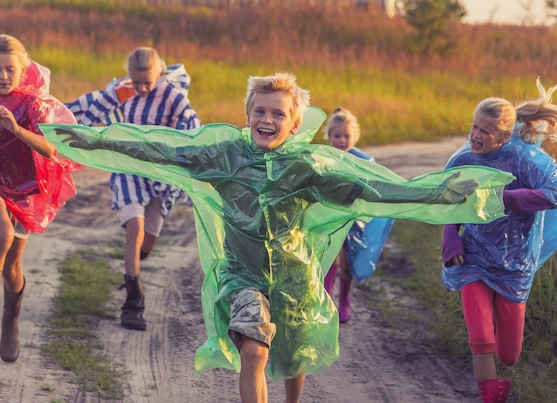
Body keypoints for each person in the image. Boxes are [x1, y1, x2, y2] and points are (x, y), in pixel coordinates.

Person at [40, 72, 512, 402]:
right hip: (243, 274)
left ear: (294, 122)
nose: (267, 119)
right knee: (254, 347)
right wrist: (84, 138)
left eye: (278, 113)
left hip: (297, 279)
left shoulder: (307, 166)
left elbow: (378, 191)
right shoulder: (224, 155)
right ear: (247, 113)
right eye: (259, 111)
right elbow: (155, 149)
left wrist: (447, 192)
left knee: (295, 356)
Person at [440, 78, 557, 403]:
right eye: (474, 127)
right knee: (481, 339)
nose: (475, 135)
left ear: (504, 136)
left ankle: (499, 379)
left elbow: (556, 193)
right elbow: (446, 199)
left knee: (509, 355)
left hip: (514, 266)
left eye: (485, 131)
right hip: (473, 258)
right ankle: (491, 397)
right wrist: (451, 236)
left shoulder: (524, 160)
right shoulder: (463, 160)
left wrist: (505, 198)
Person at [66, 47, 202, 331]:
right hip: (128, 168)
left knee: (147, 243)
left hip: (159, 173)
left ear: (159, 75)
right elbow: (84, 109)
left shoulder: (172, 95)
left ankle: (133, 262)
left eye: (146, 82)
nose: (140, 88)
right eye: (135, 82)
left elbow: (193, 127)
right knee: (135, 229)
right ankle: (133, 303)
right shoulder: (120, 91)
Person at [0, 34, 80, 362]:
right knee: (1, 233)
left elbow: (51, 150)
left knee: (12, 268)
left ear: (22, 69)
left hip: (24, 192)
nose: (3, 76)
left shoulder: (32, 104)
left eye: (10, 69)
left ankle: (10, 321)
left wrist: (16, 130)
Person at [322, 107, 394, 323]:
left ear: (355, 136)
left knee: (347, 261)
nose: (342, 140)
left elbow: (374, 188)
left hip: (354, 220)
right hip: (329, 217)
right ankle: (326, 301)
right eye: (337, 136)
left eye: (347, 136)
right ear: (329, 136)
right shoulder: (324, 157)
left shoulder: (363, 160)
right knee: (328, 257)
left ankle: (344, 298)